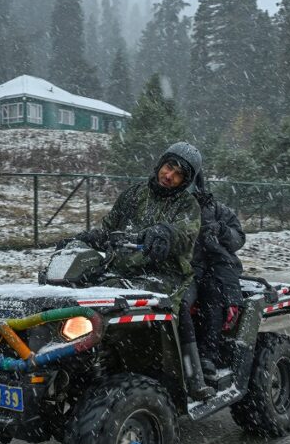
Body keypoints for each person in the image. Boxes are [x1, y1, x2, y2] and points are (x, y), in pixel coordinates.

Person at [67, 142, 212, 399]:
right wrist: (85, 239)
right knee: (81, 298)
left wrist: (166, 233)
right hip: (121, 269)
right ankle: (83, 363)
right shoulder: (134, 194)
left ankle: (193, 377)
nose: (169, 176)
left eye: (179, 174)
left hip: (167, 275)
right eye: (169, 167)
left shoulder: (187, 205)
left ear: (185, 180)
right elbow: (110, 228)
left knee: (172, 312)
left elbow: (186, 232)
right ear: (160, 163)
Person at [184, 171, 246, 382]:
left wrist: (221, 230)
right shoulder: (164, 208)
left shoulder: (216, 210)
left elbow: (238, 239)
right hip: (177, 270)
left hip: (209, 270)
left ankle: (205, 356)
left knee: (212, 298)